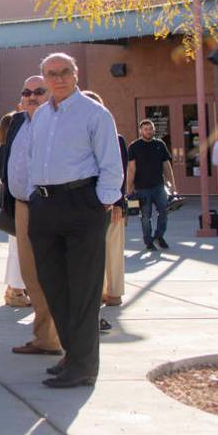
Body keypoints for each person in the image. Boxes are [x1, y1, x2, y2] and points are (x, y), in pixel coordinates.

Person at [26, 53, 123, 388]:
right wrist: (33, 195)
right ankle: (74, 354)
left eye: (64, 72)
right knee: (54, 286)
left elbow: (112, 163)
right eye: (51, 74)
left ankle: (83, 367)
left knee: (83, 290)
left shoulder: (95, 114)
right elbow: (33, 159)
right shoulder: (40, 117)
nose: (58, 78)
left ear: (76, 74)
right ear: (44, 77)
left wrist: (100, 203)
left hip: (82, 203)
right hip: (45, 206)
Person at [3, 75, 61, 356]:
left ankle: (56, 338)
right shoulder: (17, 122)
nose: (32, 96)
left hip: (50, 207)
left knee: (51, 274)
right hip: (22, 206)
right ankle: (44, 338)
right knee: (30, 276)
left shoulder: (58, 123)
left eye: (39, 91)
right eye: (26, 92)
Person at [82, 90, 128, 330]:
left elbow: (119, 172)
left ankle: (114, 292)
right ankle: (99, 292)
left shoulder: (116, 138)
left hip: (111, 203)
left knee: (113, 249)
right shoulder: (79, 138)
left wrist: (120, 202)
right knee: (93, 251)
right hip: (88, 204)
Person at [127, 119, 176, 252]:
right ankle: (148, 241)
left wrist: (172, 184)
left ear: (153, 130)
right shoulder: (134, 146)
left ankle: (159, 236)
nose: (148, 131)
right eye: (145, 129)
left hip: (159, 186)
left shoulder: (160, 144)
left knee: (164, 212)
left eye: (150, 128)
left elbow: (166, 165)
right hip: (142, 188)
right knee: (145, 216)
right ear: (141, 131)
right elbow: (131, 168)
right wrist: (129, 187)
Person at [0, 112, 29, 309]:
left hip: (11, 204)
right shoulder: (7, 150)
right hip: (17, 203)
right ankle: (16, 290)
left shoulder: (3, 149)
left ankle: (14, 289)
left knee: (16, 249)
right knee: (19, 250)